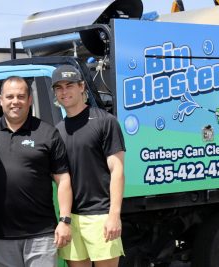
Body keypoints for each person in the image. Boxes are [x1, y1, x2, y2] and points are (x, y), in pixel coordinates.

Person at [0, 76, 72, 267]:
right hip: (0, 236)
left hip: (41, 236)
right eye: (10, 96)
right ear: (1, 100)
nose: (15, 101)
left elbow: (63, 180)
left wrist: (64, 220)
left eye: (21, 96)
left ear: (29, 100)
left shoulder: (47, 133)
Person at [53, 65, 126, 267]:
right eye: (59, 87)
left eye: (69, 85)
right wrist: (65, 220)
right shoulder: (57, 131)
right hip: (72, 219)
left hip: (101, 216)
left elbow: (117, 170)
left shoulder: (105, 121)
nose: (64, 91)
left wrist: (114, 215)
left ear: (81, 86)